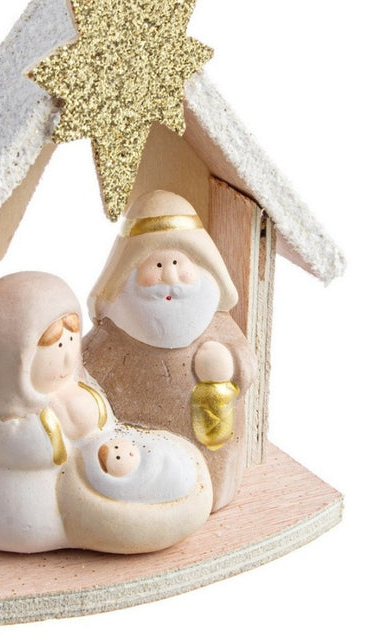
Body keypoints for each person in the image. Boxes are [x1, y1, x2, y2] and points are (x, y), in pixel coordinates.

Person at [0, 271, 212, 554]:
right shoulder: (5, 422)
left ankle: (166, 498)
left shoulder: (74, 387)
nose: (66, 357)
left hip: (90, 468)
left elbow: (98, 428)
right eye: (55, 346)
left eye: (71, 340)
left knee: (169, 463)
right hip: (18, 506)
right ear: (14, 358)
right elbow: (45, 453)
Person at [83, 191, 257, 512]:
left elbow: (246, 362)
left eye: (178, 263)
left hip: (209, 451)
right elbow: (83, 373)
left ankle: (212, 494)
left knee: (207, 481)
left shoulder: (216, 324)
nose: (169, 276)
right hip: (132, 451)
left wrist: (229, 364)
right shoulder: (114, 331)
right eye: (158, 264)